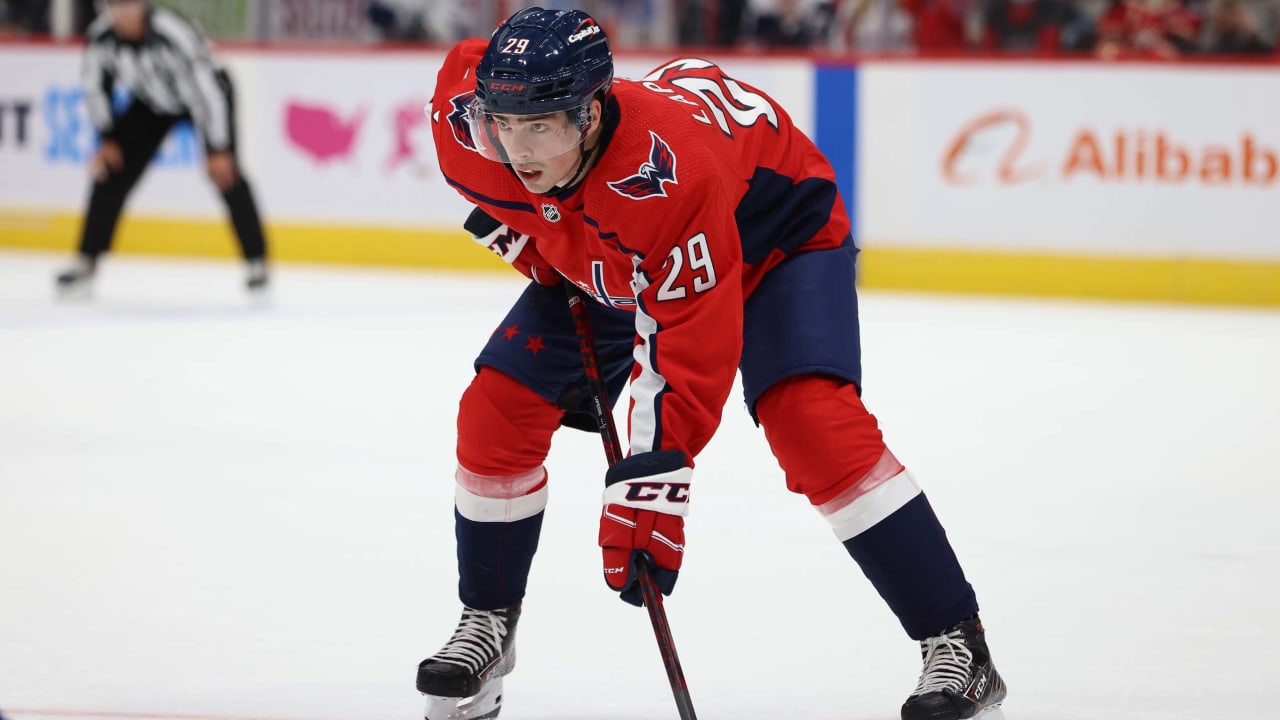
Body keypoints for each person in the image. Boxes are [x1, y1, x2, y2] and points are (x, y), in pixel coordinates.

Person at [419, 7, 1008, 720]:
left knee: (813, 423)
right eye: (503, 124)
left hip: (776, 240)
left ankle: (957, 641)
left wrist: (650, 483)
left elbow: (685, 356)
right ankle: (488, 624)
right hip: (625, 244)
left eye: (540, 125)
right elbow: (491, 158)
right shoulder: (468, 115)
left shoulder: (669, 175)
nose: (517, 148)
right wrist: (527, 238)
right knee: (497, 406)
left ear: (592, 111)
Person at [55, 0, 269, 295]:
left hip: (204, 99)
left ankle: (257, 261)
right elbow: (95, 86)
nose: (125, 12)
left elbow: (208, 88)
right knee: (110, 171)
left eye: (131, 4)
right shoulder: (101, 38)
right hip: (153, 103)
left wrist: (219, 146)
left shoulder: (173, 31)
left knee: (226, 174)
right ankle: (86, 261)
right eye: (116, 5)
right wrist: (107, 137)